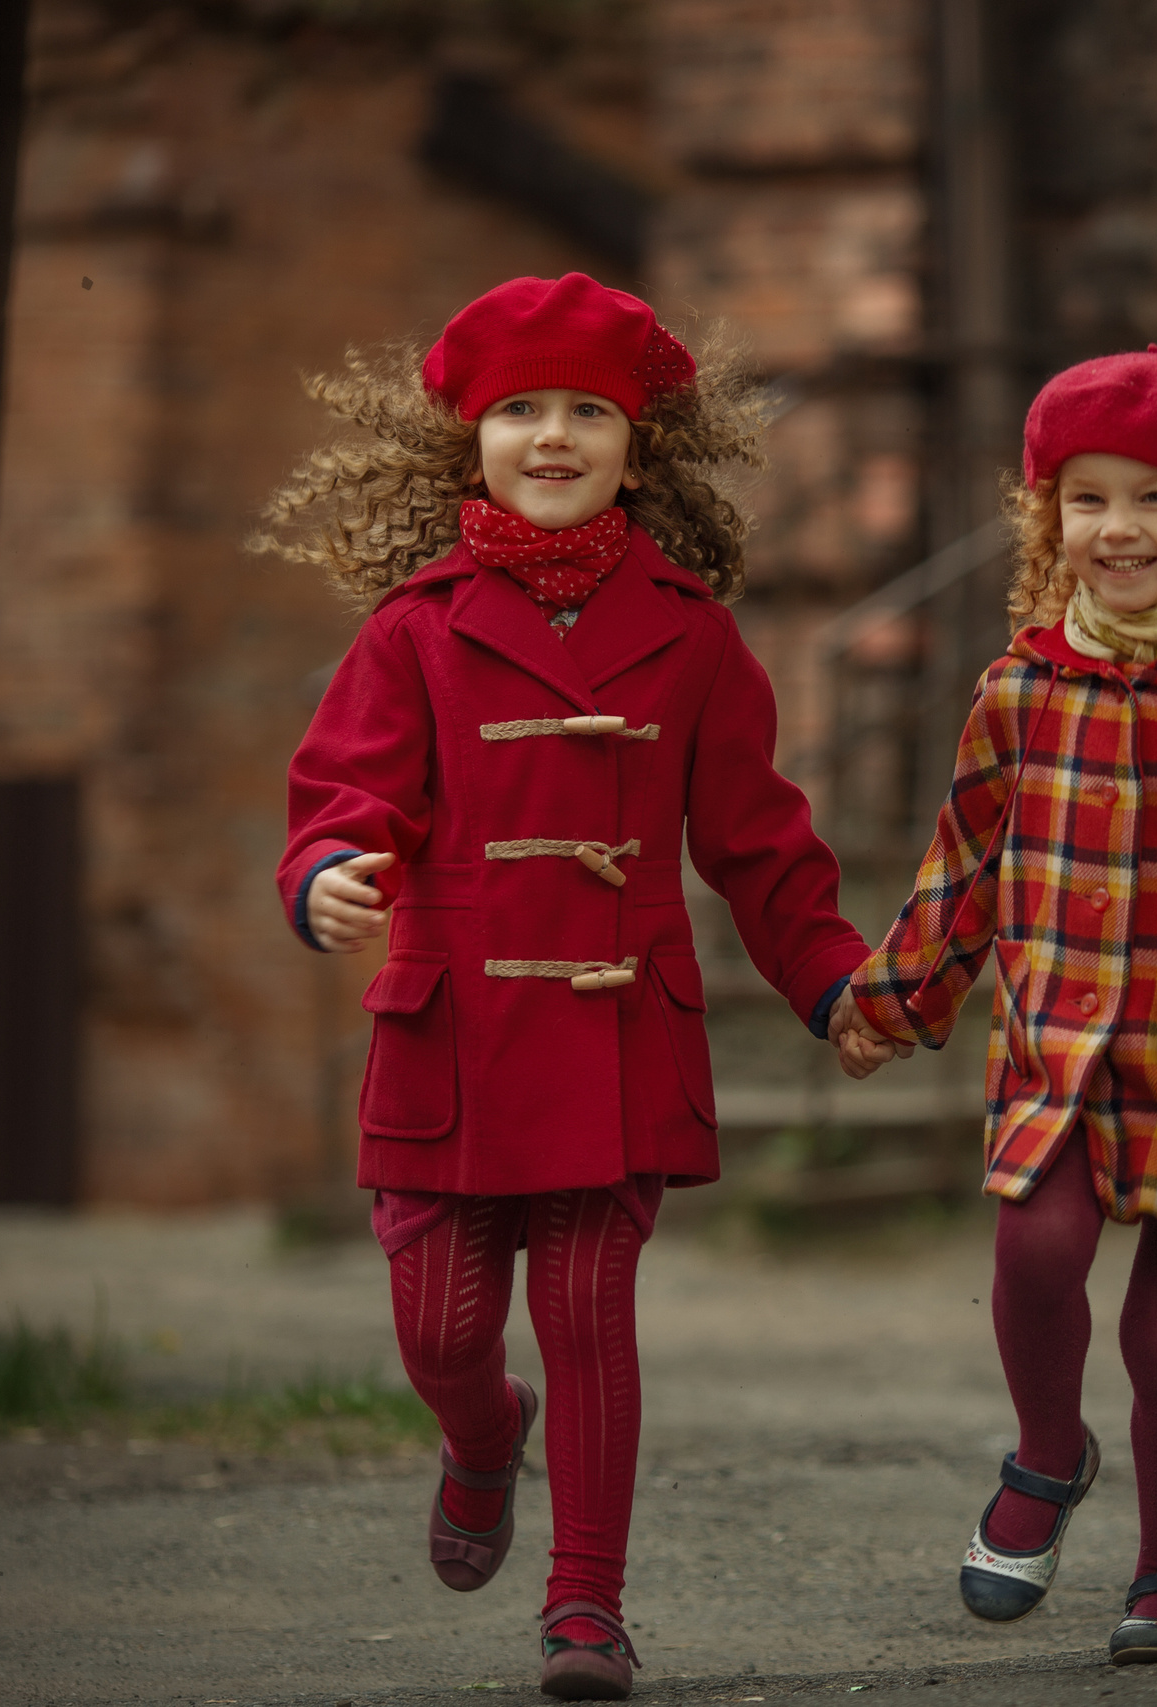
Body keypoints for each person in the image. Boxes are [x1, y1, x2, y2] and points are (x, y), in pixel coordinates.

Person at [266, 273, 867, 1702]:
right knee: (445, 1333)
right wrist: (329, 872)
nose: (552, 435)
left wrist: (836, 982)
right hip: (454, 1025)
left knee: (595, 1315)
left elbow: (758, 839)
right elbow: (342, 794)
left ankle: (586, 1606)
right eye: (519, 410)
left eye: (586, 411)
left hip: (615, 1019)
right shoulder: (410, 630)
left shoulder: (697, 635)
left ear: (635, 447)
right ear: (467, 443)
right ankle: (484, 1438)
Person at [831, 346, 1157, 1665]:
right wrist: (894, 998)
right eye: (1087, 500)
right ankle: (1046, 1453)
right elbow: (960, 871)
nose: (1118, 530)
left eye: (1156, 501)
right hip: (1064, 1044)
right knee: (1036, 1251)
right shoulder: (1020, 689)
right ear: (1047, 518)